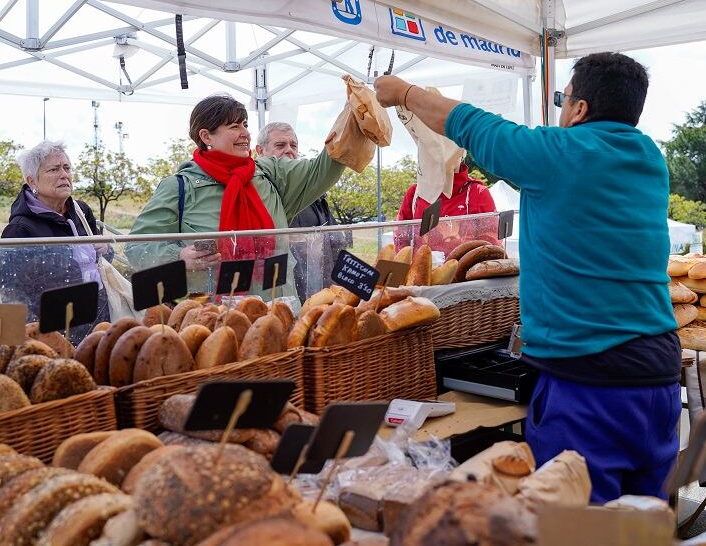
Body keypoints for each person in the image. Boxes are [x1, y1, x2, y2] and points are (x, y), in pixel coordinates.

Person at [373, 52, 680, 504]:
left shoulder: (561, 152)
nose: (560, 110)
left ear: (579, 109)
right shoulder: (649, 159)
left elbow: (473, 124)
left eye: (564, 99)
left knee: (575, 527)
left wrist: (403, 93)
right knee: (644, 521)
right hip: (658, 373)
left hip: (590, 379)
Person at [127, 95, 346, 299]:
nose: (246, 133)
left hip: (277, 313)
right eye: (234, 126)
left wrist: (353, 112)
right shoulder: (179, 186)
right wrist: (179, 256)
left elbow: (324, 169)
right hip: (212, 323)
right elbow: (136, 247)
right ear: (206, 136)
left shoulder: (270, 174)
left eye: (245, 125)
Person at [0, 140, 110, 343]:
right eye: (54, 169)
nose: (64, 175)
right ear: (32, 181)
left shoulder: (81, 211)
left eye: (67, 168)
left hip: (100, 318)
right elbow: (13, 294)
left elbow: (97, 259)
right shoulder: (20, 230)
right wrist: (36, 339)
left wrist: (105, 249)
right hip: (58, 332)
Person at [254, 122, 351, 302]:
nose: (289, 150)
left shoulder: (315, 194)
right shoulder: (267, 195)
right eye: (280, 145)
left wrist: (360, 283)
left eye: (294, 145)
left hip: (322, 295)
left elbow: (336, 245)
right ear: (260, 151)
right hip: (285, 295)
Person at [394, 159, 498, 257]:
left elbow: (490, 243)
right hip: (422, 271)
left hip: (464, 272)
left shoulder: (478, 193)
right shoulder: (415, 192)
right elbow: (400, 235)